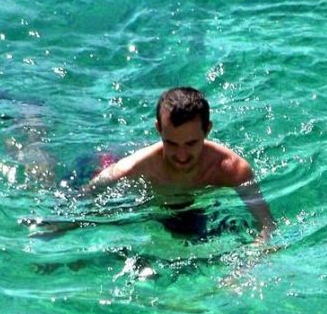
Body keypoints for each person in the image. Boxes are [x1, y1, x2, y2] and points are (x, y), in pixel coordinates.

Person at [88, 86, 276, 242]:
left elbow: (268, 225)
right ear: (158, 129)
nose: (181, 156)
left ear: (207, 130)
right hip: (136, 189)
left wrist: (249, 261)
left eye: (191, 143)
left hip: (191, 208)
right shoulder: (132, 168)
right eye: (171, 143)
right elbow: (83, 202)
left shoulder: (232, 170)